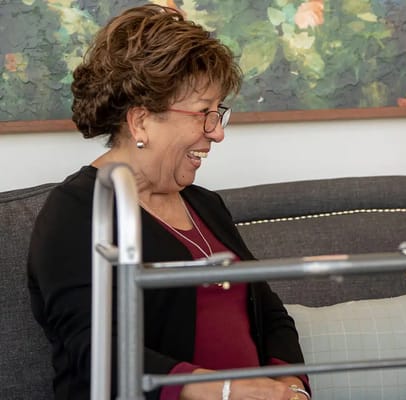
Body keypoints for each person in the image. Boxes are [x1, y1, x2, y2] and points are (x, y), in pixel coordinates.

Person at [27, 5, 311, 400]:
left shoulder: (207, 205)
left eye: (218, 114)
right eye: (202, 114)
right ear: (141, 121)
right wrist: (224, 391)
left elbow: (270, 313)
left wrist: (290, 388)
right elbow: (95, 351)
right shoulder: (76, 212)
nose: (217, 134)